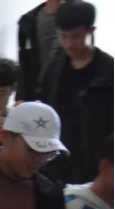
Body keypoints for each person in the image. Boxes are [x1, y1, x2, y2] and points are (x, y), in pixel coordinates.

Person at [42, 1, 114, 184]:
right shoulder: (53, 70)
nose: (68, 44)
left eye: (75, 37)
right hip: (56, 162)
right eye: (63, 37)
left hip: (96, 164)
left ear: (91, 31)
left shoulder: (109, 71)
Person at [17, 0, 80, 102]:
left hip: (71, 92)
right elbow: (24, 62)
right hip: (37, 94)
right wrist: (21, 96)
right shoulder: (28, 20)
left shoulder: (79, 16)